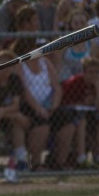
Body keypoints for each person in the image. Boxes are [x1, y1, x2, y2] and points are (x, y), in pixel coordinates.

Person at [13, 38, 62, 171]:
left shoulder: (45, 61)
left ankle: (59, 162)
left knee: (69, 120)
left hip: (49, 105)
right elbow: (24, 91)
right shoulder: (20, 64)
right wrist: (38, 108)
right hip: (30, 106)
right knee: (42, 124)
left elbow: (56, 86)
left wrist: (55, 105)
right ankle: (35, 163)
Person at [52, 57, 99, 170]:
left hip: (91, 113)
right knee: (81, 120)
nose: (94, 75)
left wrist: (98, 90)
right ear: (84, 72)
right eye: (90, 72)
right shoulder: (74, 82)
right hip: (74, 113)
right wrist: (82, 102)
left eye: (97, 72)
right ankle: (81, 158)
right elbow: (65, 104)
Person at [57, 9, 91, 82]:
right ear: (70, 24)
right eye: (76, 23)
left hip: (85, 81)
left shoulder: (91, 43)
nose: (79, 26)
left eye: (82, 23)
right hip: (67, 82)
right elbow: (58, 64)